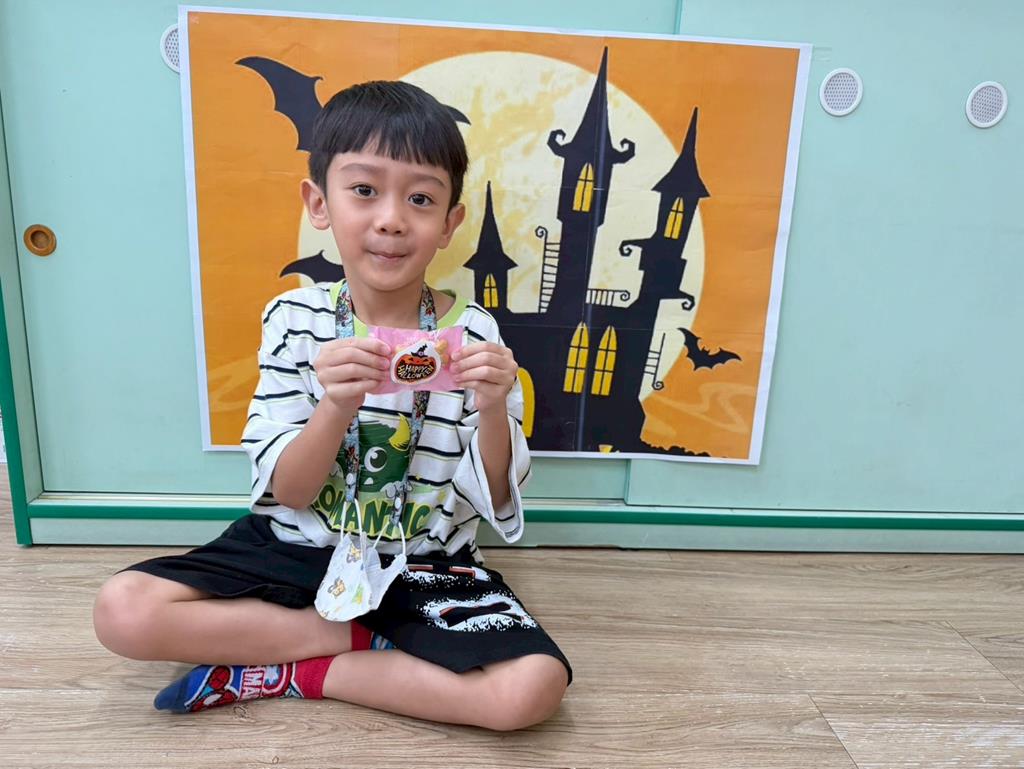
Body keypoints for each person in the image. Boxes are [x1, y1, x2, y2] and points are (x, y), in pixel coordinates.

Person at [92, 80, 570, 731]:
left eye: (421, 198)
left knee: (531, 689)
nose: (391, 218)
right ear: (319, 203)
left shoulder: (475, 334)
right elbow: (289, 492)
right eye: (364, 189)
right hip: (297, 548)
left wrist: (492, 408)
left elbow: (496, 492)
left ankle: (287, 669)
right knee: (122, 609)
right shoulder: (293, 319)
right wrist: (335, 407)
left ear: (449, 224)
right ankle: (368, 638)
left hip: (427, 563)